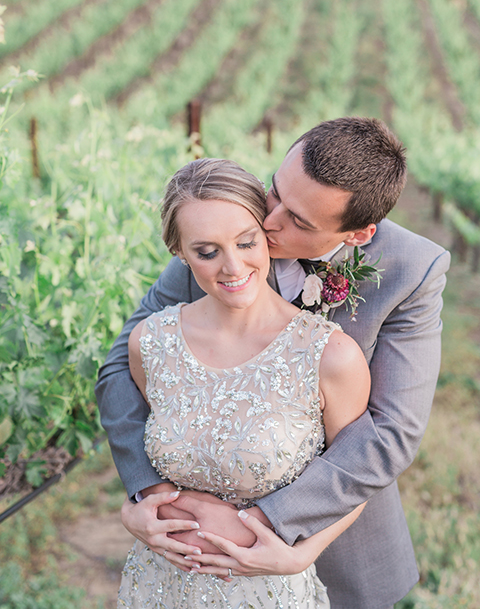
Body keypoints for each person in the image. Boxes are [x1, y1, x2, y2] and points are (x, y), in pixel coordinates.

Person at [97, 117, 451, 609]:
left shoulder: (412, 270)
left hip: (333, 536)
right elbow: (120, 367)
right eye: (275, 190)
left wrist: (264, 523)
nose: (269, 221)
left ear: (357, 233)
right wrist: (150, 496)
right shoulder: (227, 235)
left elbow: (389, 432)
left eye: (299, 221)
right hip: (193, 552)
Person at [117, 157, 371, 608]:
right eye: (207, 251)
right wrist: (132, 509)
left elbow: (353, 481)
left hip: (267, 589)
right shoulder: (150, 342)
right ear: (179, 252)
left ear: (267, 231)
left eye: (246, 242)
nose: (232, 267)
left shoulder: (330, 355)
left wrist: (300, 556)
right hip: (160, 586)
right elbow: (145, 451)